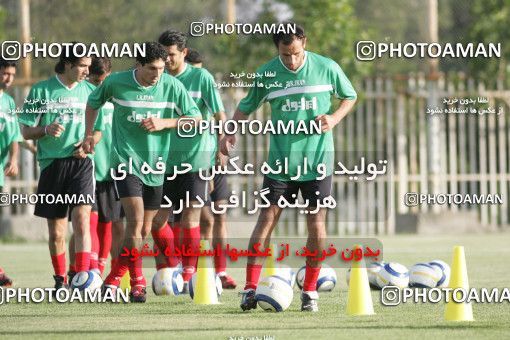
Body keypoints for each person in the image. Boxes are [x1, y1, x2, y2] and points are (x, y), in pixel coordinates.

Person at [220, 23, 357, 312]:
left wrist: (333, 119)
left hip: (318, 161)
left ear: (304, 42)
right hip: (280, 162)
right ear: (277, 51)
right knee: (266, 219)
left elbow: (350, 96)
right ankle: (249, 288)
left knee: (316, 224)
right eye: (285, 55)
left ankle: (309, 292)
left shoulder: (327, 67)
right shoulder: (267, 74)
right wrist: (230, 131)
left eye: (295, 53)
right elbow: (246, 106)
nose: (291, 60)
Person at [82, 42, 201, 302]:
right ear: (138, 65)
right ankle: (136, 282)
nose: (158, 74)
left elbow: (195, 118)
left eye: (161, 68)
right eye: (151, 69)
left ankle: (116, 276)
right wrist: (89, 134)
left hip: (156, 167)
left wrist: (165, 122)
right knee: (135, 223)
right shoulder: (116, 82)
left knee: (145, 229)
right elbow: (93, 103)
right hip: (126, 162)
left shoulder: (171, 85)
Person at [153, 30, 235, 291]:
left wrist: (223, 145)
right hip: (163, 160)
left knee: (191, 217)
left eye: (172, 55)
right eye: (163, 55)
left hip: (197, 158)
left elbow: (219, 114)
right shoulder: (157, 79)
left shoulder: (201, 78)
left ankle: (189, 274)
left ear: (184, 53)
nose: (166, 60)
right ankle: (176, 263)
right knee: (156, 221)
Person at [19, 44, 94, 292]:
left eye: (88, 66)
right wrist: (45, 130)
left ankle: (82, 277)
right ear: (68, 64)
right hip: (52, 165)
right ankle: (60, 279)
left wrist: (87, 144)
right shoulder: (42, 90)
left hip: (82, 163)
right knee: (57, 232)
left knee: (82, 220)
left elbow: (100, 132)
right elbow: (25, 130)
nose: (86, 70)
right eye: (82, 65)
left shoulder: (91, 92)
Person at [67, 57, 122, 283]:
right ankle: (79, 270)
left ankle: (105, 270)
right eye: (95, 80)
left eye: (103, 81)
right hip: (87, 169)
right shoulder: (85, 99)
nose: (99, 86)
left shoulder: (119, 100)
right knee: (85, 221)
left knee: (110, 223)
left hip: (112, 170)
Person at [0, 58, 23, 288]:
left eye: (12, 75)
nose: (9, 78)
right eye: (5, 73)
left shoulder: (7, 102)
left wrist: (14, 159)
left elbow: (14, 136)